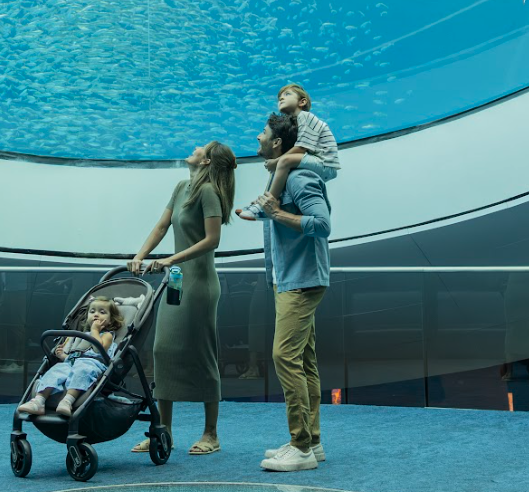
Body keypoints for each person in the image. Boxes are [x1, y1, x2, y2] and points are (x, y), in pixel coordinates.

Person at [127, 141, 235, 456]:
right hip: (176, 282)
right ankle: (164, 432)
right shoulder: (181, 187)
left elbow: (212, 240)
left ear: (206, 161)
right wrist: (141, 255)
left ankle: (211, 434)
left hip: (200, 284)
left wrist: (171, 259)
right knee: (163, 350)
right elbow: (162, 226)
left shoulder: (209, 193)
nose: (195, 148)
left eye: (202, 148)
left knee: (202, 354)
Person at [255, 110, 332, 472]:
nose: (257, 137)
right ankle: (312, 442)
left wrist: (277, 213)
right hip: (289, 280)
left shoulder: (300, 178)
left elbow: (321, 225)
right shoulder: (280, 178)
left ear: (277, 143)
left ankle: (300, 447)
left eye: (263, 133)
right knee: (303, 360)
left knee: (284, 357)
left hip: (301, 283)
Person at [239, 84, 339, 221]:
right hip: (318, 162)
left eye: (287, 94)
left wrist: (276, 161)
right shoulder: (298, 122)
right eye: (279, 96)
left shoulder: (305, 117)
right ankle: (262, 204)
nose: (281, 97)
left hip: (325, 163)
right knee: (280, 167)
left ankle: (265, 205)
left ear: (302, 102)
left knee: (284, 161)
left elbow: (301, 148)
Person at [16, 296, 123, 418]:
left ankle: (67, 401)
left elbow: (98, 349)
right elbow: (76, 356)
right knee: (56, 371)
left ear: (110, 320)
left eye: (102, 312)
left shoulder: (107, 335)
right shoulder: (80, 335)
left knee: (82, 371)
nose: (96, 315)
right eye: (92, 311)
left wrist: (95, 330)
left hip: (92, 364)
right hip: (73, 363)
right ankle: (38, 401)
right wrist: (64, 356)